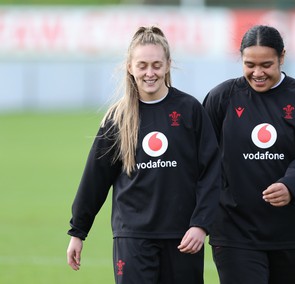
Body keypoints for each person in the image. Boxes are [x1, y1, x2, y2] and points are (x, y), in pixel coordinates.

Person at [66, 26, 221, 284]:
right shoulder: (118, 117)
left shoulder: (189, 109)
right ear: (130, 66)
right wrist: (78, 232)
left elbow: (211, 172)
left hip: (183, 236)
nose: (150, 73)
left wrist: (200, 224)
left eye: (157, 65)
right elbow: (95, 179)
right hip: (133, 237)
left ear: (168, 65)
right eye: (143, 65)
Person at [202, 25, 295, 284]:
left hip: (291, 231)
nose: (258, 72)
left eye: (266, 64)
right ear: (240, 58)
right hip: (233, 229)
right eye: (250, 64)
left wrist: (291, 186)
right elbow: (199, 156)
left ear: (282, 57)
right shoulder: (222, 98)